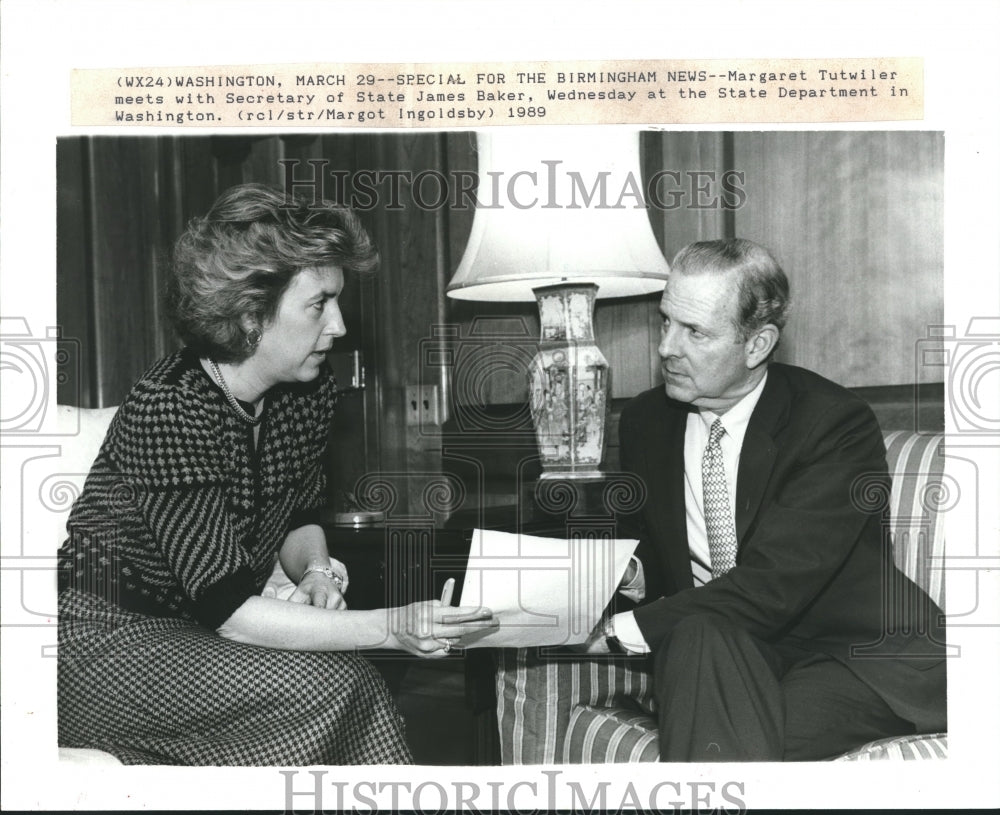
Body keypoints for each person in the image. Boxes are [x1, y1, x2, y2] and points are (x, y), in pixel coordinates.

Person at [57, 183, 497, 766]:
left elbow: (298, 514)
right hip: (103, 641)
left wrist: (315, 570)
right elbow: (228, 610)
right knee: (339, 685)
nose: (338, 325)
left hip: (197, 633)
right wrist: (391, 627)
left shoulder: (305, 390)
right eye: (319, 304)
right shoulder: (169, 408)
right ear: (249, 314)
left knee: (344, 678)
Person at [594, 237, 947, 760]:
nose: (668, 347)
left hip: (852, 654)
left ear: (757, 345)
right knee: (700, 642)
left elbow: (770, 588)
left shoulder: (832, 423)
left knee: (725, 737)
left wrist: (617, 634)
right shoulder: (647, 421)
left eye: (695, 331)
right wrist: (631, 572)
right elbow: (654, 544)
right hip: (723, 646)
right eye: (665, 322)